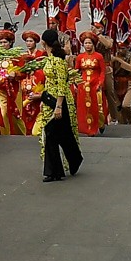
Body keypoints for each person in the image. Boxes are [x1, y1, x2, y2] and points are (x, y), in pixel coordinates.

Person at [33, 28, 83, 182]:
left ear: (43, 42)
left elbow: (62, 85)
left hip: (59, 101)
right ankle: (57, 169)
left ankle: (59, 168)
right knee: (57, 135)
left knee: (56, 133)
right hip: (49, 99)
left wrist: (59, 106)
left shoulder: (58, 61)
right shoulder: (49, 59)